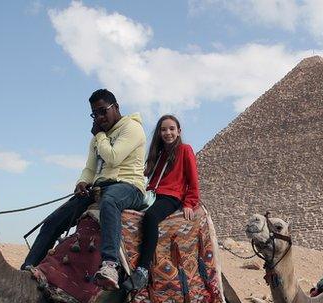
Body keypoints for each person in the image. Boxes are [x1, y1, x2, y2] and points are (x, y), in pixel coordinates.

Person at [22, 89, 146, 290]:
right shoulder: (99, 138)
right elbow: (90, 168)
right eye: (94, 114)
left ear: (116, 107)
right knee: (54, 220)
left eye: (102, 111)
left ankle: (110, 265)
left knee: (110, 202)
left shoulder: (132, 128)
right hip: (99, 188)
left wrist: (99, 135)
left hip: (128, 186)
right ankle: (28, 268)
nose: (99, 117)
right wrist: (82, 182)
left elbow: (113, 157)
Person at [129, 114, 201, 291]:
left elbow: (193, 180)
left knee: (151, 217)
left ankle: (143, 270)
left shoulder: (185, 149)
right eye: (163, 129)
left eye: (171, 129)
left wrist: (189, 203)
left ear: (179, 131)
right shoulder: (158, 154)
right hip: (152, 195)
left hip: (171, 196)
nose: (167, 133)